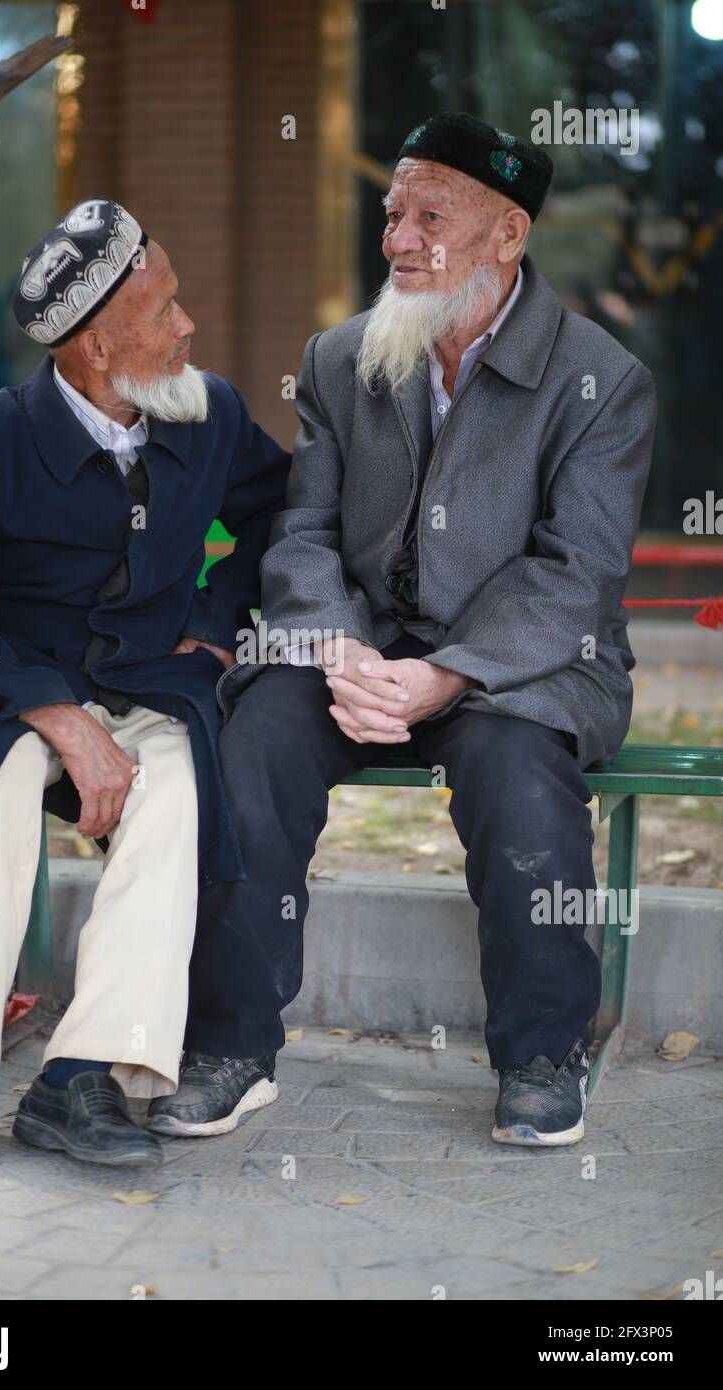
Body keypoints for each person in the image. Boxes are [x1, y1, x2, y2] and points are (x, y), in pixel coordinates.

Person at [150, 113, 657, 1147]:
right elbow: (298, 532)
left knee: (520, 779)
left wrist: (450, 674)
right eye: (390, 213)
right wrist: (334, 643)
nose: (396, 239)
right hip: (359, 650)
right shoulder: (340, 359)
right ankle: (229, 1045)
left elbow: (576, 576)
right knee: (253, 742)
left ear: (506, 234)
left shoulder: (600, 380)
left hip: (519, 667)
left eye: (431, 215)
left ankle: (540, 1054)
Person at [0, 197, 289, 1167]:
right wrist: (54, 713)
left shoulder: (210, 411)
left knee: (182, 789)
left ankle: (83, 1075)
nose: (187, 327)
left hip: (154, 687)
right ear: (98, 348)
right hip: (16, 696)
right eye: (163, 314)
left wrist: (213, 625)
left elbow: (282, 515)